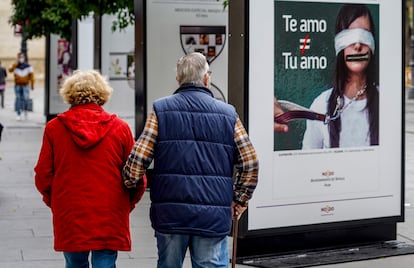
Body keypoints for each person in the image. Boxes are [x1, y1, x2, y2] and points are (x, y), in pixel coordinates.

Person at [122, 52, 259, 268]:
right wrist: (240, 199)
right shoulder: (228, 114)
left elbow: (138, 160)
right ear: (207, 79)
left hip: (170, 215)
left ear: (178, 79)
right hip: (212, 215)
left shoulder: (161, 110)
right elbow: (250, 162)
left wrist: (130, 183)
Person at [34, 70, 147, 268]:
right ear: (102, 94)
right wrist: (128, 203)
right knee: (104, 261)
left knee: (75, 263)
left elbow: (43, 175)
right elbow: (136, 174)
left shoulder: (54, 128)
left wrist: (55, 201)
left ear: (69, 94)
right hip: (110, 211)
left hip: (70, 211)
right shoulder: (120, 128)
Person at [302, 4, 379, 149]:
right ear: (339, 43)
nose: (357, 45)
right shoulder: (320, 106)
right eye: (349, 35)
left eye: (364, 34)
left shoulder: (386, 102)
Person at [8, 52, 35, 121]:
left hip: (25, 85)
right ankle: (18, 113)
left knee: (26, 99)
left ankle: (26, 112)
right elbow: (10, 70)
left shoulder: (28, 66)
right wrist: (16, 64)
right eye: (20, 57)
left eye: (22, 57)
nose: (21, 58)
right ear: (18, 58)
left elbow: (32, 76)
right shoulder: (15, 66)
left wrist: (32, 84)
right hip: (17, 85)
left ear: (24, 58)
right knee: (18, 99)